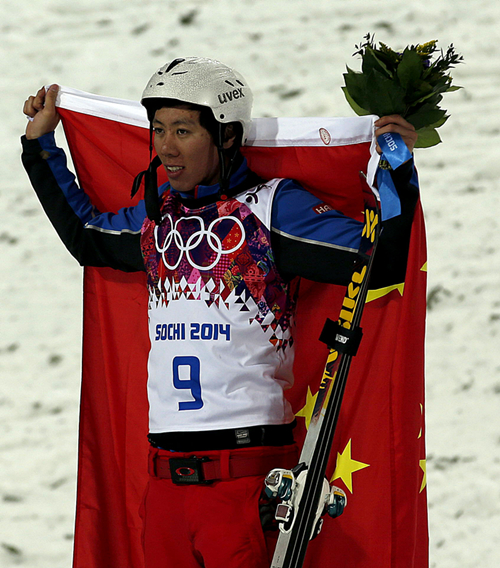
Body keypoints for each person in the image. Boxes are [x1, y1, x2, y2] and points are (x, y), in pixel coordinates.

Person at [21, 57, 418, 568]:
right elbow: (88, 237)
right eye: (159, 129)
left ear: (227, 135)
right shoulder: (156, 213)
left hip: (244, 482)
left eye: (183, 130)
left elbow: (378, 263)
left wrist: (398, 169)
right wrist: (40, 146)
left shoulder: (272, 207)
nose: (166, 147)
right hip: (164, 486)